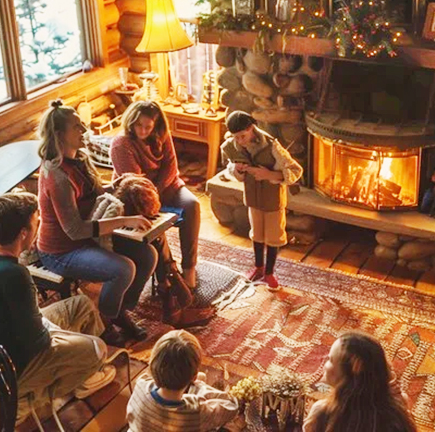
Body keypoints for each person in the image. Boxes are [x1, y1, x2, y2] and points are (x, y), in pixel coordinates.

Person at [0, 191, 120, 420]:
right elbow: (38, 342)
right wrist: (55, 331)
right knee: (97, 348)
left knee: (82, 306)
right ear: (23, 233)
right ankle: (19, 402)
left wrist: (47, 327)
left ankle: (84, 376)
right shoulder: (14, 274)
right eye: (36, 223)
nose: (38, 228)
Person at [37, 99, 156, 344]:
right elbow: (74, 230)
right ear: (59, 134)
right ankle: (104, 323)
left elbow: (98, 194)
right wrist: (126, 220)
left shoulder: (79, 158)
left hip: (87, 237)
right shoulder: (56, 176)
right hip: (61, 250)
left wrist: (123, 183)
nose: (84, 131)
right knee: (123, 268)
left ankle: (118, 311)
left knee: (148, 256)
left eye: (82, 125)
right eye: (77, 127)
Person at [110, 100, 201, 289]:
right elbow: (136, 184)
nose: (143, 131)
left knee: (192, 205)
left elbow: (171, 166)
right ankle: (166, 274)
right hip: (137, 196)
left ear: (156, 125)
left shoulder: (162, 134)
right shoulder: (121, 144)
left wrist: (158, 192)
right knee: (155, 222)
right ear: (131, 122)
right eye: (138, 126)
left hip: (166, 187)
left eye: (148, 127)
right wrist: (152, 198)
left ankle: (189, 268)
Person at [220, 111, 303, 291]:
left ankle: (270, 272)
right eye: (236, 137)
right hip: (253, 198)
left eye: (243, 136)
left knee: (273, 237)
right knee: (256, 233)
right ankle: (259, 267)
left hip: (273, 199)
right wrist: (238, 170)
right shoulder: (232, 147)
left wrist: (270, 175)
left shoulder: (272, 145)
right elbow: (229, 170)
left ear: (251, 128)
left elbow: (296, 170)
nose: (240, 141)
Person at [126, 330, 240, 431]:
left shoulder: (141, 384)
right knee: (232, 426)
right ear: (193, 377)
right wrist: (199, 387)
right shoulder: (196, 411)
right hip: (185, 416)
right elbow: (232, 406)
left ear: (151, 365)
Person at [303, 332, 416, 432]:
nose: (325, 363)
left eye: (331, 360)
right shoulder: (399, 407)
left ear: (347, 378)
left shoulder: (322, 414)